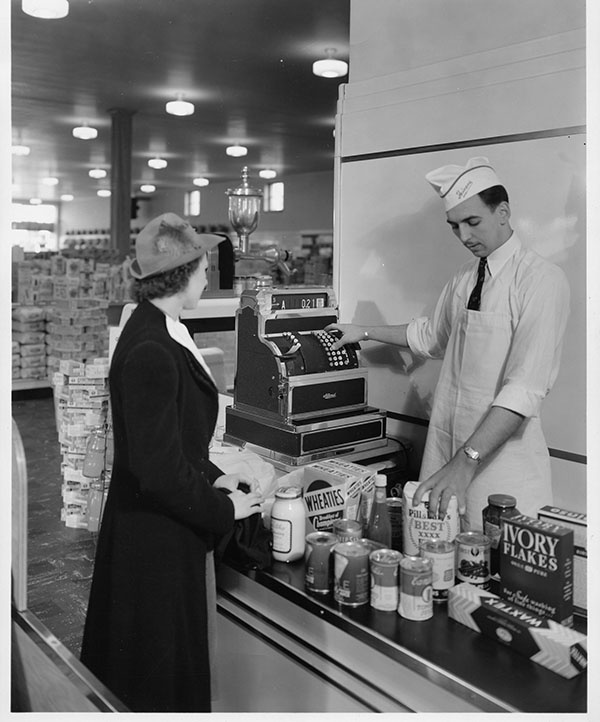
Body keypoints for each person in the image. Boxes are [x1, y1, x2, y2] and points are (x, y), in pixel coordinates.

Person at [80, 213, 264, 712]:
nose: (208, 277)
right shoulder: (151, 350)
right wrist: (223, 509)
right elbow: (158, 469)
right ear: (183, 272)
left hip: (154, 526)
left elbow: (169, 443)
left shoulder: (155, 326)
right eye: (204, 267)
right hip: (154, 538)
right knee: (159, 678)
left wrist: (214, 475)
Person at [327, 157, 569, 530]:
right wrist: (364, 330)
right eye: (455, 226)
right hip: (448, 453)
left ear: (502, 212)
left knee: (500, 567)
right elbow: (431, 336)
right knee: (443, 563)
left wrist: (465, 461)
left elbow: (523, 390)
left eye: (473, 222)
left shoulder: (541, 281)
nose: (464, 236)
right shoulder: (464, 277)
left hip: (502, 467)